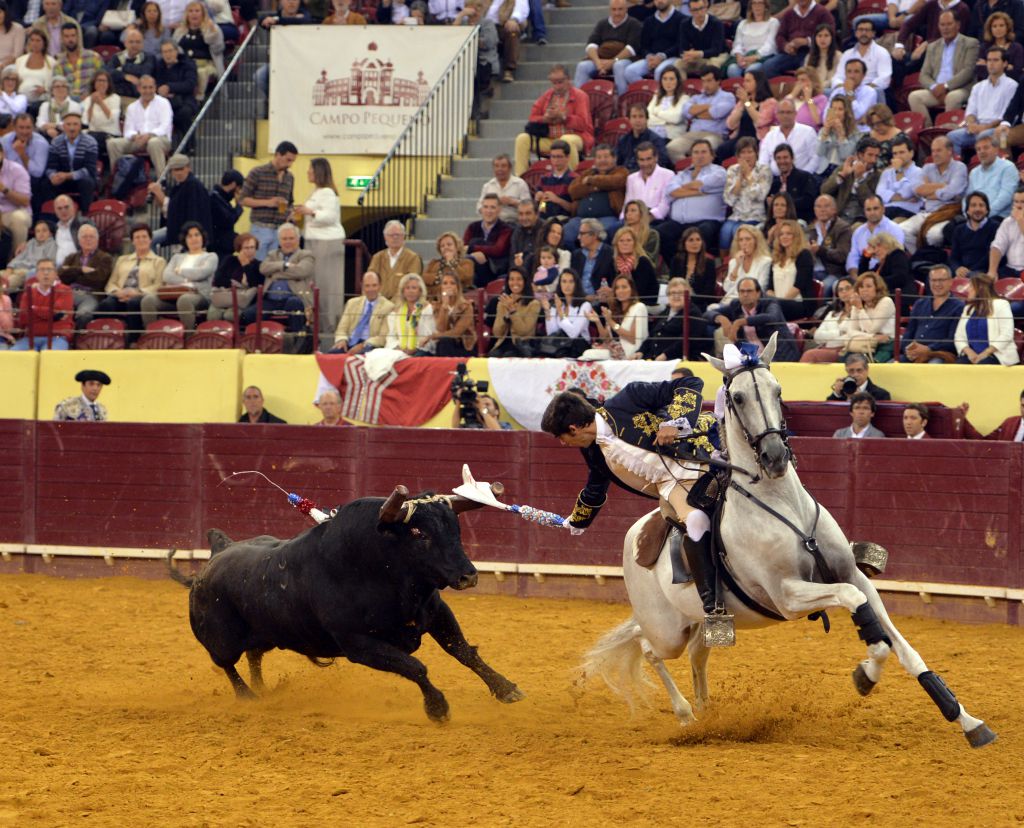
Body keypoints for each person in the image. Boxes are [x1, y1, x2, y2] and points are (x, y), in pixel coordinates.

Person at [539, 375, 722, 624]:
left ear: (574, 428)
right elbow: (595, 487)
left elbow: (690, 383)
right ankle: (713, 606)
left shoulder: (629, 398)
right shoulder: (593, 450)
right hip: (674, 484)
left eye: (561, 437)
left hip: (709, 451)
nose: (562, 443)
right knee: (695, 521)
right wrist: (576, 521)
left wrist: (674, 423)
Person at [290, 156, 345, 338]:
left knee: (327, 285)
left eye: (311, 169)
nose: (308, 172)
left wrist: (310, 211)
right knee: (316, 284)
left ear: (319, 172)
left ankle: (329, 326)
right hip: (314, 240)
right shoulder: (317, 192)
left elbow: (330, 217)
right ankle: (319, 325)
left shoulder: (328, 193)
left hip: (327, 242)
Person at [514, 65, 591, 176]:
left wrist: (564, 117)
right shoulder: (547, 96)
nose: (557, 86)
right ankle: (520, 179)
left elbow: (583, 124)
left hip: (575, 136)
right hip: (550, 139)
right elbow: (532, 117)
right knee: (522, 139)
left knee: (566, 140)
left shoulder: (580, 96)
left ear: (568, 79)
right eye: (554, 83)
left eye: (560, 82)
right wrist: (544, 119)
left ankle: (572, 178)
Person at [244, 222, 313, 345]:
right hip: (271, 299)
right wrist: (284, 265)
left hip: (293, 297)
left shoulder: (306, 255)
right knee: (248, 314)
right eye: (284, 239)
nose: (288, 242)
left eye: (291, 238)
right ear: (279, 240)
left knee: (295, 304)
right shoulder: (272, 254)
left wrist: (275, 273)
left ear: (297, 239)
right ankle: (258, 344)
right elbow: (263, 268)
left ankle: (299, 344)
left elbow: (302, 271)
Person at [140, 220, 217, 331]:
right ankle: (152, 336)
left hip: (199, 295)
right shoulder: (177, 257)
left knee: (184, 300)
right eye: (189, 236)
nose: (194, 238)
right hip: (174, 295)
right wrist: (188, 278)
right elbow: (167, 276)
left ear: (202, 237)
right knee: (148, 300)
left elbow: (202, 273)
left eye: (197, 235)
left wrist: (180, 271)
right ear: (185, 240)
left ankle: (188, 338)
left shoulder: (210, 256)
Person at [95, 222, 165, 341]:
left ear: (150, 240)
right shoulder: (122, 259)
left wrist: (138, 292)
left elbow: (159, 285)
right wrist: (117, 292)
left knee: (134, 303)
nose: (141, 240)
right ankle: (108, 339)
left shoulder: (159, 261)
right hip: (120, 296)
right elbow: (111, 283)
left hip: (142, 296)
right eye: (137, 237)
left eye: (144, 237)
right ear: (132, 241)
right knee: (106, 304)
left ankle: (134, 340)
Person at [898, 135, 968, 254]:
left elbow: (952, 192)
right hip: (927, 212)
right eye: (933, 151)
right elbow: (917, 190)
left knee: (933, 235)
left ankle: (936, 261)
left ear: (949, 151)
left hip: (947, 214)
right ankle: (920, 257)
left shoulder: (959, 167)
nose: (934, 154)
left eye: (939, 150)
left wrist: (929, 192)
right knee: (901, 230)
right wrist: (943, 185)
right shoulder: (927, 168)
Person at [907, 11, 979, 125]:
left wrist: (946, 87)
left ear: (958, 25)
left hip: (961, 88)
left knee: (952, 97)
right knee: (914, 97)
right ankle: (929, 133)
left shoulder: (970, 43)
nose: (945, 28)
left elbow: (968, 71)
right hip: (936, 90)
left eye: (949, 24)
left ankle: (948, 133)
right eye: (942, 25)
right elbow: (924, 74)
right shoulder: (932, 47)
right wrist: (935, 87)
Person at [656, 138, 726, 256]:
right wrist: (700, 192)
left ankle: (698, 269)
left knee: (704, 231)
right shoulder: (682, 174)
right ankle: (676, 266)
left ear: (712, 155)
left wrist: (683, 188)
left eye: (704, 152)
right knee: (660, 232)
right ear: (691, 156)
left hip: (707, 221)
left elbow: (699, 184)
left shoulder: (719, 172)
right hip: (678, 222)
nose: (700, 156)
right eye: (696, 152)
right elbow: (672, 192)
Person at [948, 47, 1018, 157]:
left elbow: (1006, 116)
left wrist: (985, 127)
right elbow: (970, 112)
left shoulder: (1011, 85)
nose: (991, 64)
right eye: (989, 60)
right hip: (977, 128)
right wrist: (971, 125)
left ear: (1005, 63)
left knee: (983, 136)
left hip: (997, 129)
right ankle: (958, 167)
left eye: (995, 60)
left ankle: (982, 167)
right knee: (951, 137)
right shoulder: (978, 87)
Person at [711, 276, 800, 360]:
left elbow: (772, 317)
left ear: (758, 293)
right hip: (751, 360)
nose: (745, 294)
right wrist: (722, 319)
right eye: (742, 291)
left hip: (780, 356)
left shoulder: (770, 303)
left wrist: (741, 322)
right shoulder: (736, 305)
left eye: (749, 291)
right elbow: (708, 313)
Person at [106, 74, 172, 179]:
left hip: (159, 139)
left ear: (155, 88)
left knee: (153, 143)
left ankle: (162, 180)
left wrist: (149, 135)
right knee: (112, 143)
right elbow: (128, 131)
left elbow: (165, 127)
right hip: (138, 140)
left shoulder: (164, 103)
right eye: (144, 88)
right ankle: (117, 179)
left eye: (151, 87)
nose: (148, 91)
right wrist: (135, 136)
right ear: (139, 89)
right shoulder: (132, 107)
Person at [238, 139, 297, 254]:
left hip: (281, 230)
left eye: (292, 161)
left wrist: (291, 212)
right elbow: (243, 200)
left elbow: (290, 202)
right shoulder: (257, 173)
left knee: (275, 268)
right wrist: (268, 202)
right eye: (288, 160)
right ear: (278, 155)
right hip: (260, 228)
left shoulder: (289, 177)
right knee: (258, 266)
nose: (290, 164)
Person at [563, 143, 627, 246]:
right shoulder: (588, 173)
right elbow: (573, 190)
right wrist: (595, 186)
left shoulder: (621, 171)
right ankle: (579, 258)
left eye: (606, 157)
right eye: (599, 157)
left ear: (614, 158)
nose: (602, 160)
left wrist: (591, 180)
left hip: (607, 217)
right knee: (565, 235)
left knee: (601, 237)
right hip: (581, 219)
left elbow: (614, 181)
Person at [573, 0, 643, 93]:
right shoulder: (602, 24)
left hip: (623, 59)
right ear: (609, 10)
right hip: (602, 60)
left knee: (619, 66)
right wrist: (598, 63)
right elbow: (591, 45)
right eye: (614, 9)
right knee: (583, 66)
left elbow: (631, 49)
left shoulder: (634, 24)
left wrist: (613, 61)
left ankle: (622, 100)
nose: (617, 13)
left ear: (626, 9)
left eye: (620, 9)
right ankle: (578, 99)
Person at [901, 265, 964, 363]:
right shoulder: (920, 303)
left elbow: (953, 340)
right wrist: (908, 349)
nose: (937, 284)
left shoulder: (959, 307)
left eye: (941, 280)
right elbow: (909, 333)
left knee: (933, 366)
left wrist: (929, 348)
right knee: (891, 366)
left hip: (940, 354)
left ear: (951, 282)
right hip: (915, 353)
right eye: (933, 280)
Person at [147, 153, 210, 250]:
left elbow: (176, 210)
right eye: (175, 170)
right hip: (178, 228)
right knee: (149, 239)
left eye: (181, 169)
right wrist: (158, 197)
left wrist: (160, 194)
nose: (178, 173)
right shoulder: (179, 186)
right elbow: (169, 210)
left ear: (188, 168)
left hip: (189, 231)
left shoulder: (193, 185)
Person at [953, 272, 1019, 364]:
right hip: (973, 355)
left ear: (980, 289)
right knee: (959, 367)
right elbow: (958, 336)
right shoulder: (968, 308)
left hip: (996, 354)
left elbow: (1006, 335)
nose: (968, 289)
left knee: (982, 366)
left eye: (971, 286)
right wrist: (969, 353)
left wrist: (985, 353)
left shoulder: (1001, 305)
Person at [669, 67, 733, 161]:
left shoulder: (727, 97)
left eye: (709, 81)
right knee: (671, 148)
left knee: (703, 150)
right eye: (703, 81)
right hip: (692, 134)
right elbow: (686, 112)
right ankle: (690, 171)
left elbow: (716, 113)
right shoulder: (696, 97)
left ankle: (698, 171)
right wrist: (708, 106)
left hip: (714, 135)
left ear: (718, 81)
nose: (706, 85)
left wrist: (696, 112)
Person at [641, 275, 711, 360]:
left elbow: (685, 341)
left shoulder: (693, 313)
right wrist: (640, 351)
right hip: (654, 359)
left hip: (678, 361)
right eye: (673, 293)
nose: (676, 296)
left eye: (680, 293)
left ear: (688, 295)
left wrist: (665, 355)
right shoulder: (665, 312)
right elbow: (652, 335)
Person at [761, 0, 836, 78]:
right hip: (791, 54)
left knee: (806, 71)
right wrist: (785, 46)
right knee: (768, 66)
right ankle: (782, 88)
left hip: (813, 53)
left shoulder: (822, 12)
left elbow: (830, 33)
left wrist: (807, 41)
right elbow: (780, 35)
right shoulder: (789, 14)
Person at [57, 220, 111, 327]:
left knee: (84, 315)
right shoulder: (71, 257)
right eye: (84, 237)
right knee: (56, 312)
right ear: (79, 240)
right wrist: (81, 270)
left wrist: (72, 273)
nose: (88, 240)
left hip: (90, 295)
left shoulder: (105, 258)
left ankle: (76, 341)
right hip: (68, 293)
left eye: (91, 237)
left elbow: (99, 279)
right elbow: (62, 276)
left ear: (97, 240)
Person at [10, 258, 72, 349]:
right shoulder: (29, 292)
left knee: (51, 359)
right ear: (36, 274)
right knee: (12, 358)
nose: (45, 273)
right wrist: (50, 315)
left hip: (56, 337)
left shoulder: (65, 290)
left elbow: (57, 312)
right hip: (29, 338)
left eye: (49, 269)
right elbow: (24, 318)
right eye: (42, 269)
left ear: (56, 273)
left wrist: (33, 308)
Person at [711, 224, 771, 317]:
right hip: (729, 302)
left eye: (748, 239)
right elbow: (726, 288)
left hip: (750, 304)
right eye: (741, 240)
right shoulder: (734, 262)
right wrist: (737, 266)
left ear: (756, 241)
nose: (744, 243)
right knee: (709, 312)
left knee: (711, 313)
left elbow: (761, 288)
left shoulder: (765, 262)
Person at [44, 110, 97, 210]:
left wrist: (68, 176)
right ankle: (49, 216)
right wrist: (53, 176)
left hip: (81, 179)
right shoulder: (56, 142)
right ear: (63, 126)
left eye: (75, 124)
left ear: (80, 126)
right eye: (68, 124)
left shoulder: (90, 142)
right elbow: (50, 167)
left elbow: (89, 170)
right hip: (62, 180)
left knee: (87, 182)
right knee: (46, 183)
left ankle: (86, 215)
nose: (72, 128)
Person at [822, 136, 881, 223]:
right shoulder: (845, 168)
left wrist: (860, 178)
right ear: (860, 155)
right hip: (840, 213)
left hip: (862, 217)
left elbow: (869, 201)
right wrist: (843, 175)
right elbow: (824, 190)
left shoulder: (878, 175)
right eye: (870, 155)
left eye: (876, 156)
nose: (873, 160)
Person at [172, 0, 225, 99]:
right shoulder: (180, 30)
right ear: (186, 14)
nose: (194, 14)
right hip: (184, 65)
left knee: (200, 73)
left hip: (206, 65)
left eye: (197, 11)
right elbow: (174, 49)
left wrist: (212, 36)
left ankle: (199, 99)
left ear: (203, 13)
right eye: (191, 11)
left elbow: (219, 49)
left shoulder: (213, 28)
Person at [587, 273, 648, 357]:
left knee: (592, 355)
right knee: (588, 354)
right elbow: (605, 338)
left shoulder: (639, 307)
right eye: (617, 288)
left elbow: (633, 338)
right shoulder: (614, 310)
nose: (620, 291)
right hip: (611, 351)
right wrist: (598, 321)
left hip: (629, 355)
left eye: (624, 287)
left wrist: (610, 321)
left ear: (632, 290)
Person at [623, 0, 682, 87]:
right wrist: (649, 56)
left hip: (672, 57)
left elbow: (680, 45)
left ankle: (658, 97)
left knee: (660, 71)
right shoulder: (649, 21)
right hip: (652, 58)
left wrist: (662, 56)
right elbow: (644, 45)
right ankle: (650, 92)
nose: (660, 1)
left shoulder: (682, 19)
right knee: (630, 71)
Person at [208, 231, 262, 323]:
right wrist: (235, 284)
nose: (249, 251)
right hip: (224, 296)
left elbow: (254, 283)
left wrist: (246, 266)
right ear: (239, 249)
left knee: (230, 315)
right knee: (213, 315)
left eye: (252, 248)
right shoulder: (229, 260)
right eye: (246, 248)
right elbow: (218, 280)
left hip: (242, 300)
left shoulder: (258, 265)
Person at [801, 275, 857, 362]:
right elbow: (817, 336)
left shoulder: (858, 312)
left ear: (855, 289)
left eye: (848, 288)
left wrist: (828, 336)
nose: (844, 292)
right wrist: (839, 333)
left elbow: (850, 337)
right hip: (825, 347)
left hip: (843, 351)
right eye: (840, 290)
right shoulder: (832, 314)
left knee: (810, 355)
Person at [539, 267, 593, 357]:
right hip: (560, 347)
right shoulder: (557, 304)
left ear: (576, 284)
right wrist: (548, 311)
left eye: (571, 282)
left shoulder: (585, 305)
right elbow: (552, 333)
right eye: (564, 282)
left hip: (578, 349)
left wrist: (560, 312)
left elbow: (573, 333)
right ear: (560, 284)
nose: (567, 285)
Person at [832, 19, 892, 100]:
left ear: (873, 33)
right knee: (825, 93)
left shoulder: (882, 52)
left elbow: (885, 78)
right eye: (860, 30)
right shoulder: (847, 54)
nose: (863, 33)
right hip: (848, 90)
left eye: (867, 30)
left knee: (876, 91)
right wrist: (843, 87)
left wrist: (862, 89)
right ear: (856, 33)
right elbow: (838, 76)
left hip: (870, 89)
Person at [722, 70, 777, 158]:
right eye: (744, 81)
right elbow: (730, 124)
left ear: (758, 83)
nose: (744, 84)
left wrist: (747, 103)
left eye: (748, 81)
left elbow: (760, 121)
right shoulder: (743, 101)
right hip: (739, 139)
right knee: (720, 151)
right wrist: (742, 105)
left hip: (757, 140)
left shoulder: (770, 102)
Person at [767, 219, 814, 320]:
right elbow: (769, 288)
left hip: (799, 303)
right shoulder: (776, 257)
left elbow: (798, 286)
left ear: (796, 236)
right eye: (781, 234)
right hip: (778, 304)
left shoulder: (804, 255)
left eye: (789, 234)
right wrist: (774, 301)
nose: (784, 237)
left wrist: (778, 303)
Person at [846, 194, 904, 277]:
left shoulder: (894, 229)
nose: (872, 212)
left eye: (875, 208)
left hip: (885, 275)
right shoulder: (858, 232)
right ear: (864, 212)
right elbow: (853, 257)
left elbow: (896, 257)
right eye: (868, 209)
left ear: (883, 209)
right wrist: (856, 277)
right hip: (862, 274)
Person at [2, 112, 48, 216]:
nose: (24, 131)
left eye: (28, 128)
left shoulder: (41, 143)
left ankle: (34, 219)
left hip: (31, 180)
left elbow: (37, 173)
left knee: (37, 183)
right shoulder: (4, 141)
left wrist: (22, 155)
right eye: (21, 127)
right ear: (14, 127)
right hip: (9, 177)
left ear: (33, 127)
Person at [489, 266, 540, 357]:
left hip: (522, 345)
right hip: (503, 344)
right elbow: (497, 333)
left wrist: (513, 311)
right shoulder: (502, 303)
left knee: (508, 356)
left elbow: (524, 331)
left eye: (519, 279)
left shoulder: (534, 304)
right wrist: (506, 316)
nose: (515, 283)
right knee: (493, 356)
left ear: (525, 282)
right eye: (511, 279)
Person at [758, 98, 818, 176]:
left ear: (795, 114)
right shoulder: (770, 136)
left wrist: (803, 176)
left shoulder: (808, 132)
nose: (785, 116)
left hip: (802, 180)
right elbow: (763, 162)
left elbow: (815, 159)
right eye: (782, 112)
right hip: (775, 181)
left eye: (788, 112)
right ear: (776, 115)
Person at [464, 192, 513, 287]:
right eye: (485, 207)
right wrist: (476, 253)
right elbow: (463, 248)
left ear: (499, 210)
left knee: (472, 251)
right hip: (474, 268)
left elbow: (498, 249)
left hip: (495, 270)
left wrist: (476, 250)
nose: (488, 211)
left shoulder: (506, 229)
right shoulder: (472, 227)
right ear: (481, 209)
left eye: (492, 207)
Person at [368, 219, 423, 301]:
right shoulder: (377, 257)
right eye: (391, 235)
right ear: (385, 237)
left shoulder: (413, 258)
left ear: (403, 236)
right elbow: (369, 281)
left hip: (402, 303)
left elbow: (411, 285)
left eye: (398, 234)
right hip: (378, 303)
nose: (395, 237)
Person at [965, 133, 1017, 219]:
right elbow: (967, 197)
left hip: (998, 216)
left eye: (986, 147)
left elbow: (1006, 197)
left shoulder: (1008, 167)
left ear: (996, 150)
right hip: (975, 216)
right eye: (978, 149)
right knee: (949, 228)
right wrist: (967, 213)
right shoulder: (974, 172)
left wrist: (984, 213)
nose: (982, 151)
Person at [153, 40, 199, 136]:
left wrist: (170, 87)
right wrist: (160, 90)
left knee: (184, 113)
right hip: (164, 101)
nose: (168, 54)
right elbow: (155, 83)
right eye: (165, 52)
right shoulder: (158, 65)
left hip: (185, 100)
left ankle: (188, 147)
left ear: (176, 51)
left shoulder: (187, 64)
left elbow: (190, 84)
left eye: (170, 51)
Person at [808, 194, 852, 293]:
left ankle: (822, 309)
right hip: (812, 271)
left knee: (824, 287)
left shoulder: (842, 228)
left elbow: (842, 256)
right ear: (814, 210)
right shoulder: (811, 229)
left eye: (826, 206)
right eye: (818, 206)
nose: (822, 209)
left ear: (834, 209)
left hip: (833, 273)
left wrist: (820, 250)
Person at [622, 142, 674, 225]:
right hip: (633, 218)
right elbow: (628, 203)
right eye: (642, 160)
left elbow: (665, 205)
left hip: (656, 220)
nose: (645, 164)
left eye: (649, 159)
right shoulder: (631, 178)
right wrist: (623, 218)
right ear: (637, 161)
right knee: (613, 230)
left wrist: (646, 219)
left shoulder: (668, 175)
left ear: (656, 158)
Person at [673, 0, 728, 79]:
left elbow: (716, 50)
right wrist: (687, 55)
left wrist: (698, 54)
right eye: (695, 10)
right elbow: (682, 48)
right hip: (697, 56)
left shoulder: (716, 23)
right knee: (678, 64)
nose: (699, 12)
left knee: (712, 66)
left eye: (701, 8)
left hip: (718, 55)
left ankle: (708, 90)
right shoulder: (685, 24)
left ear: (706, 8)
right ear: (690, 11)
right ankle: (681, 89)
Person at [385, 272, 435, 355]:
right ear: (403, 291)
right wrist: (398, 347)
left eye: (414, 288)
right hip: (400, 350)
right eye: (407, 288)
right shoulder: (396, 312)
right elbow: (391, 337)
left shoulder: (427, 309)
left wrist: (414, 348)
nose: (410, 291)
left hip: (422, 349)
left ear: (420, 291)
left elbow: (429, 337)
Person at [726, 0, 779, 78]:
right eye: (754, 3)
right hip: (744, 57)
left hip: (762, 57)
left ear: (766, 6)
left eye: (760, 3)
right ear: (751, 6)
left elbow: (770, 45)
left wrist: (754, 57)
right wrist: (739, 56)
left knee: (751, 70)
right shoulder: (743, 23)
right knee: (732, 69)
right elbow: (737, 43)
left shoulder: (773, 22)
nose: (757, 6)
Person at [951, 191, 999, 277]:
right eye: (973, 205)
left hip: (984, 272)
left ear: (987, 210)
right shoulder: (959, 230)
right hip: (963, 272)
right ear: (967, 210)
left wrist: (969, 271)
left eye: (981, 205)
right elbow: (954, 257)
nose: (977, 209)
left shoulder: (995, 228)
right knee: (935, 276)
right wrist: (957, 268)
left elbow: (990, 257)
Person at [2, 218, 56, 293]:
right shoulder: (31, 243)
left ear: (50, 233)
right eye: (38, 231)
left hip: (26, 271)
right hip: (15, 269)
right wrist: (10, 267)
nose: (41, 233)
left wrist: (18, 267)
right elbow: (19, 257)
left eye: (44, 230)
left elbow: (45, 262)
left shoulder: (52, 244)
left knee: (6, 283)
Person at [670, 226, 717, 313]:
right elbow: (672, 283)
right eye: (691, 240)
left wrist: (688, 299)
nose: (695, 243)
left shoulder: (709, 262)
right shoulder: (676, 260)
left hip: (699, 304)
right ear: (684, 243)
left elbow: (709, 292)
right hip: (678, 302)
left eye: (698, 240)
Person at [429, 271, 476, 357]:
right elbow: (441, 328)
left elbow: (457, 332)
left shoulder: (466, 306)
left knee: (444, 342)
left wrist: (436, 336)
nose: (448, 286)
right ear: (441, 287)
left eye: (452, 283)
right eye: (445, 283)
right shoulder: (437, 306)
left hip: (464, 345)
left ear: (457, 287)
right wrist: (444, 307)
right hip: (444, 344)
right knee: (443, 343)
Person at [766, 143, 817, 222]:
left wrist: (784, 203)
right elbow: (768, 205)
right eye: (778, 158)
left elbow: (809, 201)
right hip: (777, 223)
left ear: (792, 158)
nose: (782, 161)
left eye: (785, 157)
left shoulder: (805, 177)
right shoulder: (775, 183)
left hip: (799, 221)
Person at [876, 135, 923, 220]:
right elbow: (880, 194)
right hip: (887, 210)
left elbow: (906, 193)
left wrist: (899, 173)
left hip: (907, 211)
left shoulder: (920, 172)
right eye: (895, 153)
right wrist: (903, 199)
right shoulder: (887, 173)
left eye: (902, 152)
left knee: (894, 224)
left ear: (911, 153)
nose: (898, 156)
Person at [609, 224, 658, 303]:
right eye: (621, 241)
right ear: (616, 244)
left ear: (634, 243)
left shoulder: (642, 262)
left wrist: (614, 292)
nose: (625, 243)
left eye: (628, 240)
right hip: (620, 302)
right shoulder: (613, 263)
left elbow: (640, 290)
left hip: (643, 303)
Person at [53, 21, 102, 100]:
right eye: (66, 36)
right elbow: (57, 87)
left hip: (92, 100)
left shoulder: (94, 57)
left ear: (78, 37)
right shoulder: (59, 63)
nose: (70, 39)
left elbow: (103, 82)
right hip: (68, 102)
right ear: (61, 39)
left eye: (73, 35)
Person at [569, 218, 616, 300]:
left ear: (594, 235)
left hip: (602, 301)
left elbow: (614, 281)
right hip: (579, 300)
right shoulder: (576, 255)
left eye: (582, 233)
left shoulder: (610, 253)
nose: (578, 237)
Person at [615, 104, 671, 172]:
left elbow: (662, 162)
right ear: (629, 120)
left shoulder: (656, 140)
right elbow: (617, 162)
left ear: (647, 119)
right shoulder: (623, 140)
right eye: (634, 117)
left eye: (641, 116)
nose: (637, 120)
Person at [477, 154, 531, 224]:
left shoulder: (520, 184)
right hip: (492, 223)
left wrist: (513, 202)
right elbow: (479, 207)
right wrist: (490, 209)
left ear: (510, 168)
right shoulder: (488, 186)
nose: (500, 169)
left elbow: (529, 206)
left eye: (503, 166)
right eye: (496, 166)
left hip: (514, 222)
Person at [80, 69, 119, 161]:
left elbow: (112, 118)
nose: (101, 83)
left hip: (109, 133)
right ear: (94, 83)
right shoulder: (88, 100)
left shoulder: (115, 98)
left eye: (104, 81)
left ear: (108, 83)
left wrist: (101, 102)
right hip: (92, 132)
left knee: (91, 140)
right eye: (99, 80)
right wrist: (92, 103)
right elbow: (86, 121)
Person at [423, 231, 474, 302]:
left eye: (449, 244)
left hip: (458, 300)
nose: (446, 247)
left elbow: (464, 277)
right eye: (442, 246)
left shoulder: (466, 263)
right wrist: (441, 276)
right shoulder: (434, 263)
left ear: (457, 247)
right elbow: (424, 277)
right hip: (433, 300)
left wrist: (451, 262)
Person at [975, 10, 1023, 82]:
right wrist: (1007, 67)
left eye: (1001, 25)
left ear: (1007, 27)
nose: (998, 29)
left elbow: (1017, 72)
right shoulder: (984, 47)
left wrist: (989, 65)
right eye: (994, 26)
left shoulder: (1017, 48)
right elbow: (980, 71)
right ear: (990, 29)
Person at [106, 26, 153, 100]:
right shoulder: (116, 57)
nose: (134, 45)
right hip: (118, 96)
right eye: (131, 42)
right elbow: (108, 73)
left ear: (142, 43)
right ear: (125, 43)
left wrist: (122, 68)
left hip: (139, 98)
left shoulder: (149, 57)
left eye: (138, 42)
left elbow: (145, 72)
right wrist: (125, 76)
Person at [0, 141, 31, 253]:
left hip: (13, 211)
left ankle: (17, 259)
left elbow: (25, 201)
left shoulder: (17, 170)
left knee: (19, 219)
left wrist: (4, 189)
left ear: (2, 154)